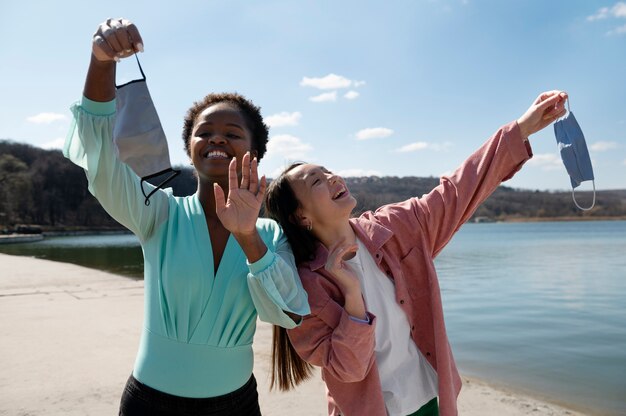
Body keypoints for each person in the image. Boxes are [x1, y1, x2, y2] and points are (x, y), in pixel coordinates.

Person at [264, 90, 568, 416]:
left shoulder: (397, 227)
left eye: (327, 171)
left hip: (430, 402)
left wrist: (520, 130)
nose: (332, 177)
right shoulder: (306, 286)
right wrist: (352, 295)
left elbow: (457, 190)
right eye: (316, 181)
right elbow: (348, 370)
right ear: (301, 217)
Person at [63, 18, 309, 416]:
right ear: (190, 148)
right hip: (150, 403)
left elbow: (289, 312)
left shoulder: (269, 233)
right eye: (204, 131)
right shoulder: (158, 211)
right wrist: (102, 60)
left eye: (232, 132)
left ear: (255, 152)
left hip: (236, 405)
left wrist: (247, 237)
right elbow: (101, 156)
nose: (216, 138)